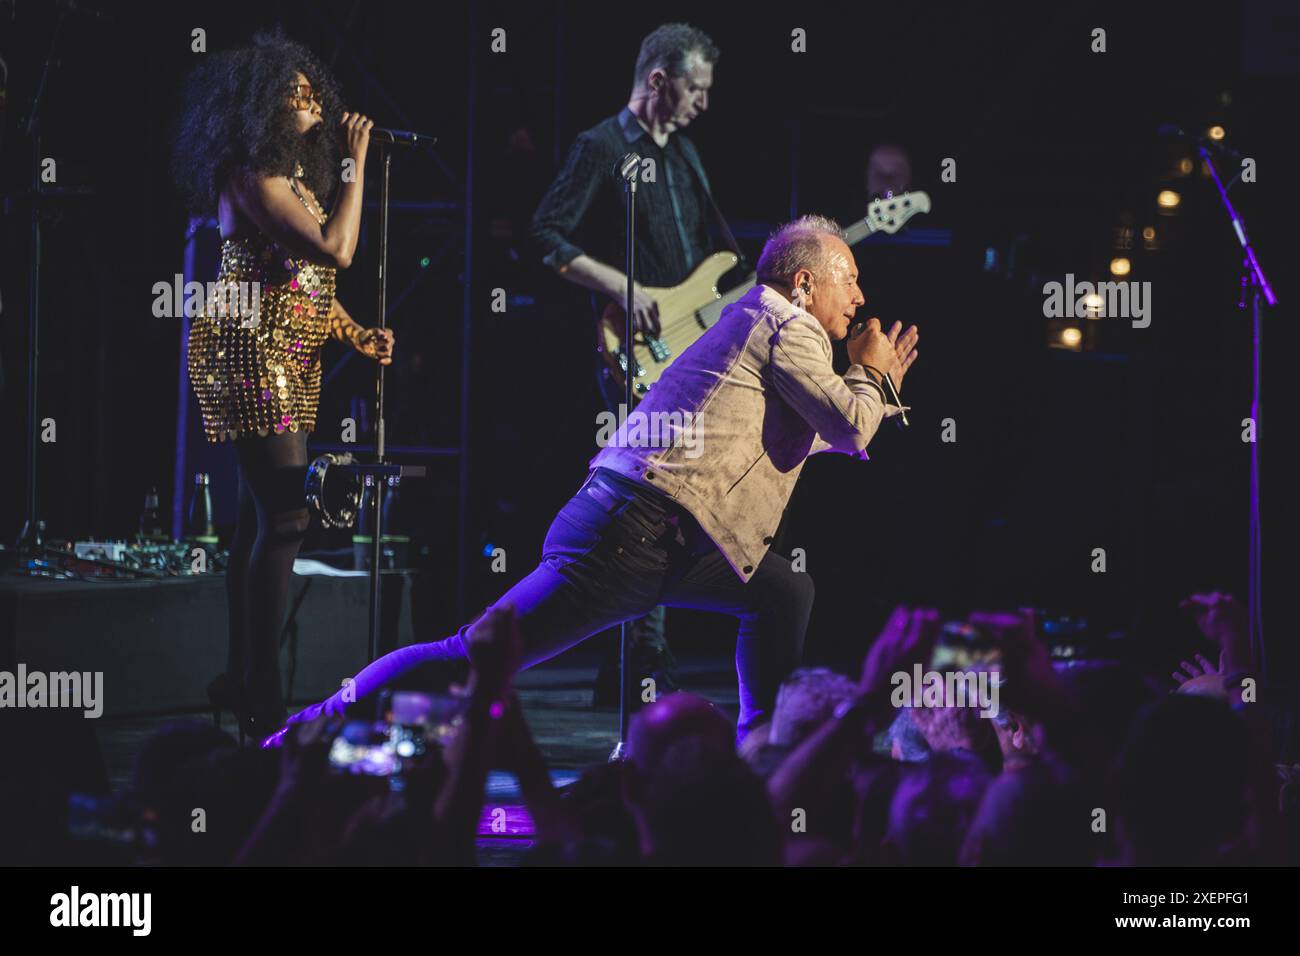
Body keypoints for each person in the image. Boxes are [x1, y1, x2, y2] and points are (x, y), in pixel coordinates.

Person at [275, 214, 918, 746]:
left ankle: (762, 757)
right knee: (474, 656)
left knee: (782, 591)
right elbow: (850, 427)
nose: (860, 297)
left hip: (665, 537)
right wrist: (872, 374)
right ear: (805, 282)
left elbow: (823, 430)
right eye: (849, 280)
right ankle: (305, 732)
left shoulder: (764, 323)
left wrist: (874, 388)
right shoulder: (787, 324)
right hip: (629, 535)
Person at [173, 32, 395, 741]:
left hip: (294, 352)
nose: (313, 103)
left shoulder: (294, 179)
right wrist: (357, 163)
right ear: (264, 106)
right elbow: (336, 249)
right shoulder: (253, 175)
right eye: (297, 94)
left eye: (314, 92)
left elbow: (310, 278)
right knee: (289, 516)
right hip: (250, 348)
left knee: (262, 519)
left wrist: (355, 332)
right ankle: (263, 691)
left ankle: (240, 674)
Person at [530, 23, 724, 705]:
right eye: (694, 89)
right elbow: (546, 233)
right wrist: (623, 285)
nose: (703, 103)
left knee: (674, 502)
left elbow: (711, 257)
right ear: (658, 81)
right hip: (630, 351)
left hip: (688, 351)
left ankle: (631, 669)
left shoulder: (686, 155)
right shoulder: (601, 147)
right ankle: (645, 666)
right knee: (647, 501)